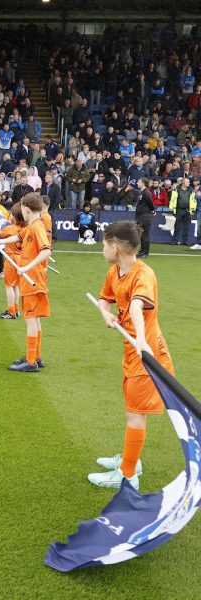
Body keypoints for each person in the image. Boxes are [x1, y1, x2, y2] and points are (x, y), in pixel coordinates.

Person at [88, 221, 175, 490]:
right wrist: (105, 313)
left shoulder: (143, 274)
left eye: (104, 244)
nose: (102, 249)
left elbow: (138, 306)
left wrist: (139, 341)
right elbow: (105, 299)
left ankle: (127, 475)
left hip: (146, 353)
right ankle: (130, 459)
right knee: (132, 411)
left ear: (115, 247)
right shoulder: (116, 271)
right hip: (133, 351)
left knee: (135, 415)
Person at [0, 193, 51, 372]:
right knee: (33, 318)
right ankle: (34, 356)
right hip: (31, 279)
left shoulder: (37, 227)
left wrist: (27, 267)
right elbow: (18, 237)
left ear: (27, 210)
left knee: (30, 319)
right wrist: (0, 240)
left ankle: (31, 361)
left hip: (32, 278)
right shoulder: (33, 226)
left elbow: (46, 251)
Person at [0, 202, 23, 319]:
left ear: (15, 217)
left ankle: (11, 311)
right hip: (21, 259)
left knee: (9, 286)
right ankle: (16, 309)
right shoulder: (25, 228)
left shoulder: (10, 229)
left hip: (11, 259)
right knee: (15, 285)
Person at [169, 178, 196, 246]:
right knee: (177, 226)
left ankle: (185, 241)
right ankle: (175, 241)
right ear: (183, 183)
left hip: (188, 210)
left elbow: (193, 200)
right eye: (188, 182)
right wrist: (172, 209)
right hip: (178, 210)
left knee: (186, 227)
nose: (189, 183)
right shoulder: (176, 190)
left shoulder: (191, 190)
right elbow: (172, 200)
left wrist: (193, 209)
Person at [135, 178, 155, 257]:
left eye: (138, 182)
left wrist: (153, 210)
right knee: (142, 234)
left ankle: (145, 253)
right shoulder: (142, 192)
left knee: (145, 234)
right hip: (141, 216)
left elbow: (150, 203)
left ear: (143, 183)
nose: (137, 183)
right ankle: (142, 251)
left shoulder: (146, 192)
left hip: (145, 216)